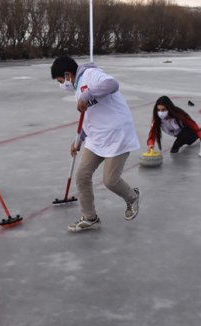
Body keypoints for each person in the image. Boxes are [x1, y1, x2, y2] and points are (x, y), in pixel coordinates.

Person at [51, 56, 141, 233]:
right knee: (82, 176)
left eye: (61, 81)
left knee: (110, 181)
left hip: (117, 135)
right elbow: (89, 118)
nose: (62, 85)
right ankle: (90, 217)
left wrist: (87, 94)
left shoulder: (90, 74)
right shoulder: (78, 89)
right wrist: (78, 140)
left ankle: (132, 197)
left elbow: (112, 84)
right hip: (96, 138)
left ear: (68, 74)